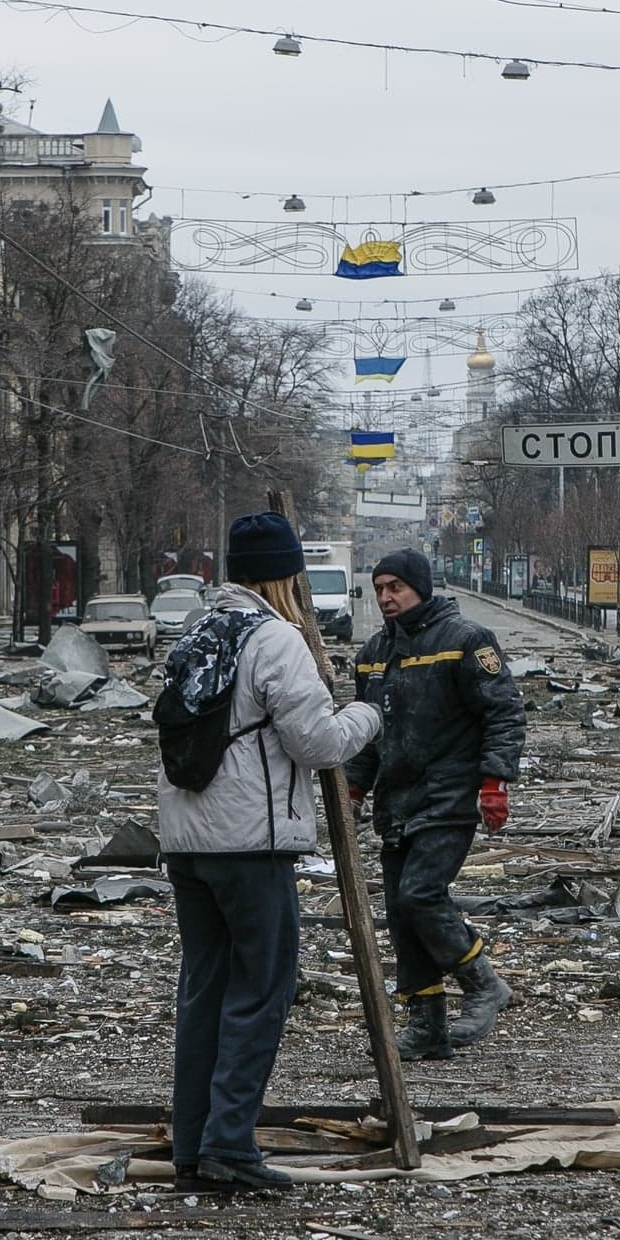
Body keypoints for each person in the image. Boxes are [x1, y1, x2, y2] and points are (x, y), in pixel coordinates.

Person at [156, 511, 383, 1193]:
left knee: (205, 990)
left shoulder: (196, 629)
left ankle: (192, 1144)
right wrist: (371, 712)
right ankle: (229, 1145)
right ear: (287, 577)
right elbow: (318, 744)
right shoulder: (276, 638)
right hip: (250, 843)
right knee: (261, 990)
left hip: (187, 842)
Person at [344, 548, 528, 1061]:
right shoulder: (374, 653)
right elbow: (367, 731)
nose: (386, 597)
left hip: (448, 794)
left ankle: (483, 983)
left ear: (420, 588)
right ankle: (426, 1023)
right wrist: (353, 788)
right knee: (402, 914)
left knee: (421, 895)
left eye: (395, 587)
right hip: (396, 803)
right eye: (380, 589)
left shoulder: (466, 640)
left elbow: (504, 713)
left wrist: (495, 782)